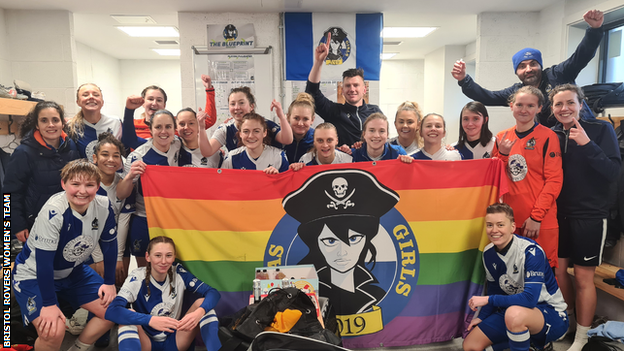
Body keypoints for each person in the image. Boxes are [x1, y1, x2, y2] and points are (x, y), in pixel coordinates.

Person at [12, 159, 117, 351]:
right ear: (63, 184)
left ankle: (77, 348)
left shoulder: (104, 206)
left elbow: (110, 246)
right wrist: (50, 305)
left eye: (89, 185)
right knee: (53, 331)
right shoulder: (53, 211)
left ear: (98, 186)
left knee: (113, 311)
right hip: (34, 274)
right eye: (75, 184)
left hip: (72, 271)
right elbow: (44, 263)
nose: (82, 191)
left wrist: (109, 282)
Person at [549, 84, 621, 351]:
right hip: (559, 215)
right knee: (558, 272)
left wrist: (587, 144)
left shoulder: (600, 130)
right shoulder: (553, 135)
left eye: (570, 102)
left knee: (582, 278)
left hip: (590, 216)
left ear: (581, 104)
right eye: (558, 104)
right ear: (553, 109)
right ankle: (566, 323)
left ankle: (582, 335)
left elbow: (613, 172)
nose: (564, 108)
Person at [451, 10, 605, 127]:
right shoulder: (518, 92)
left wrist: (594, 29)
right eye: (522, 66)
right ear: (517, 72)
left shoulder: (559, 74)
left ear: (540, 66)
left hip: (584, 130)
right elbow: (487, 97)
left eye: (533, 64)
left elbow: (581, 56)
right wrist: (464, 80)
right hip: (553, 142)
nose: (528, 69)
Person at [282, 169, 399, 315]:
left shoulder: (376, 294)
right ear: (316, 243)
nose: (342, 251)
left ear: (366, 240)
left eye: (354, 239)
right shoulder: (304, 293)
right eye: (330, 241)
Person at [463, 203, 568, 351]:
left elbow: (530, 299)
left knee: (514, 315)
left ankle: (534, 341)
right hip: (513, 311)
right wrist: (483, 317)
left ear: (512, 227)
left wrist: (487, 300)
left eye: (500, 225)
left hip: (549, 313)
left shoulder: (531, 252)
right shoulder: (488, 253)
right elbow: (494, 290)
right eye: (489, 225)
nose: (494, 230)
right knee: (471, 346)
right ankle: (534, 345)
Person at [105, 236, 221, 351]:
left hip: (175, 340)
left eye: (168, 255)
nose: (164, 261)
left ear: (174, 257)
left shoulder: (179, 273)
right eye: (158, 255)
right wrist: (150, 320)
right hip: (146, 342)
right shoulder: (137, 277)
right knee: (127, 318)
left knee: (203, 306)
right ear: (148, 257)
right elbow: (112, 311)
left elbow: (213, 293)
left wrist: (199, 312)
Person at [492, 86, 563, 268]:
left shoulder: (548, 137)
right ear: (511, 106)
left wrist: (536, 217)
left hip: (539, 221)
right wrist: (503, 154)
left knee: (541, 279)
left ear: (539, 108)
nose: (524, 110)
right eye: (519, 104)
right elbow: (495, 176)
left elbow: (554, 180)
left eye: (530, 105)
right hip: (511, 221)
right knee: (512, 275)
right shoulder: (502, 137)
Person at [4, 101, 80, 242]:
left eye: (55, 120)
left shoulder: (71, 147)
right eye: (44, 120)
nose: (50, 125)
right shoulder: (23, 152)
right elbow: (10, 193)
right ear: (37, 125)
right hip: (37, 223)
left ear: (62, 124)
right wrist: (17, 225)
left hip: (68, 220)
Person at [117, 110, 183, 267]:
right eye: (158, 127)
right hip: (145, 219)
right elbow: (120, 194)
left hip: (171, 219)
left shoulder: (177, 144)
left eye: (168, 127)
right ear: (151, 129)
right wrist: (130, 176)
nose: (163, 131)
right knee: (146, 271)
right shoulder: (138, 156)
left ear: (174, 129)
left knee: (171, 267)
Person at [306, 32, 383, 146]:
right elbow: (312, 93)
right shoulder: (334, 111)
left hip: (369, 162)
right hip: (343, 162)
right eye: (347, 86)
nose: (352, 89)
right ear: (342, 90)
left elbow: (383, 139)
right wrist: (318, 62)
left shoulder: (375, 112)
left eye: (356, 85)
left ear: (364, 90)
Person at [66, 83, 123, 159]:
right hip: (85, 170)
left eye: (96, 95)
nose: (91, 97)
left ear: (102, 102)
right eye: (85, 95)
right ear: (78, 102)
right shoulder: (71, 126)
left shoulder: (116, 123)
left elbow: (125, 151)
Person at [221, 113, 290, 174]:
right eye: (246, 131)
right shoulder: (231, 158)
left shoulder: (279, 156)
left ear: (264, 133)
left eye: (256, 131)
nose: (251, 136)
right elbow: (222, 184)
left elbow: (287, 185)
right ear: (240, 134)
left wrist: (277, 178)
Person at [283, 92, 316, 164]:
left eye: (305, 119)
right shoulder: (279, 137)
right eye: (296, 118)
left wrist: (344, 150)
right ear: (288, 117)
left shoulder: (317, 139)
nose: (300, 123)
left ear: (312, 120)